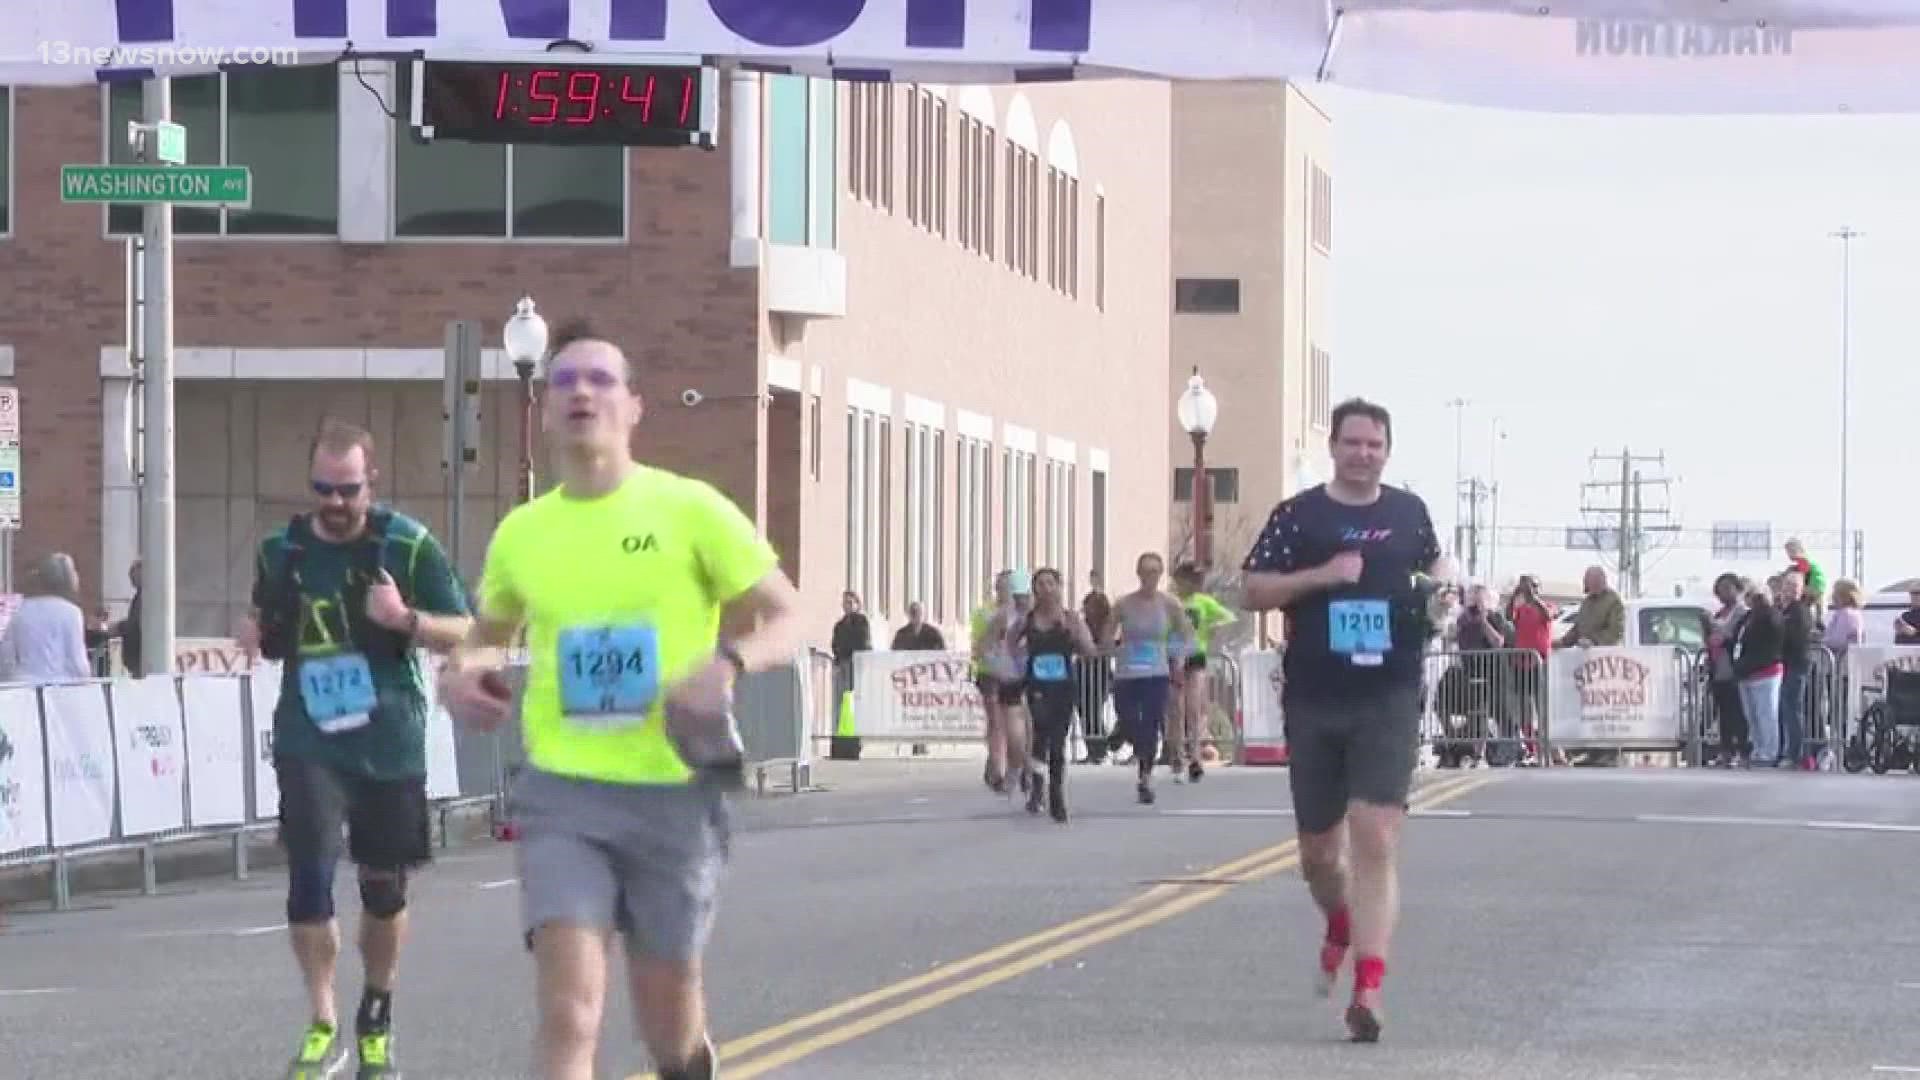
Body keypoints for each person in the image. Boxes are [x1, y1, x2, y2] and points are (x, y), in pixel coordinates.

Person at [438, 323, 802, 1080]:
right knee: (571, 1012)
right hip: (563, 795)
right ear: (543, 410)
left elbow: (791, 615)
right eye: (565, 380)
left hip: (674, 794)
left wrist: (728, 663)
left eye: (602, 380)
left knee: (668, 1025)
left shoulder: (689, 509)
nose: (582, 392)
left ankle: (691, 1060)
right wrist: (462, 674)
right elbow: (484, 633)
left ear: (635, 407)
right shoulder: (524, 534)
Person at [238, 419, 472, 1080]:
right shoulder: (280, 551)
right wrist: (256, 631)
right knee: (308, 875)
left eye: (347, 490)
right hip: (307, 731)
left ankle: (377, 1010)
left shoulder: (407, 544)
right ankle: (322, 1021)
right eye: (323, 490)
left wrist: (406, 621)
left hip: (388, 734)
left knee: (382, 888)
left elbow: (465, 626)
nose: (334, 504)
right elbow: (272, 623)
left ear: (372, 482)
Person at [1240, 397, 1451, 1043]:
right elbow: (1252, 589)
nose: (1363, 454)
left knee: (1377, 837)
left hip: (1388, 691)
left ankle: (1368, 988)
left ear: (1387, 451)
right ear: (1333, 446)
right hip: (1315, 694)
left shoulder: (1408, 512)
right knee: (1319, 857)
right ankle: (1339, 920)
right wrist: (1324, 575)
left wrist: (1440, 592)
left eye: (1374, 445)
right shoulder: (1300, 515)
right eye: (1353, 443)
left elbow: (1433, 564)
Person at [1014, 567, 1099, 821]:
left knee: (1058, 742)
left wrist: (1074, 636)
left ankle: (1056, 793)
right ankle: (1038, 786)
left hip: (1063, 686)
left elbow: (1090, 651)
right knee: (1040, 735)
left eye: (1051, 583)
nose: (1046, 589)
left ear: (1059, 587)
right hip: (1037, 686)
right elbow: (1008, 646)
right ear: (1034, 589)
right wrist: (1014, 662)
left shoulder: (1071, 619)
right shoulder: (1027, 621)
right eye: (1041, 584)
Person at [1108, 553, 1194, 804]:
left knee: (1152, 722)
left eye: (1155, 571)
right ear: (1138, 573)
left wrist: (1177, 659)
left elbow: (1185, 634)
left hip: (1156, 671)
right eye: (1146, 571)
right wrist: (1109, 648)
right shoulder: (1124, 604)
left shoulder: (1170, 604)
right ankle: (1126, 733)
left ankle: (1145, 775)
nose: (1150, 577)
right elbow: (1107, 634)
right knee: (1128, 717)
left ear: (1160, 574)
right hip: (1127, 672)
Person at [1169, 561, 1235, 783]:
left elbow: (1228, 617)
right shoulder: (1173, 603)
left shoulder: (1203, 602)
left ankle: (1195, 756)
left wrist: (1214, 630)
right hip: (1175, 656)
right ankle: (1177, 755)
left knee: (1194, 707)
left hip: (1196, 655)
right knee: (1176, 709)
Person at [983, 571, 1039, 798]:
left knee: (1032, 727)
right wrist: (996, 662)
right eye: (1017, 596)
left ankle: (1029, 769)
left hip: (1038, 677)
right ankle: (1019, 768)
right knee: (1015, 730)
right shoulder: (1003, 616)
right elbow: (985, 645)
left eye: (1025, 595)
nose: (1022, 601)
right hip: (1012, 678)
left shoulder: (1040, 615)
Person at [0, 553, 92, 685]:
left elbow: (6, 656)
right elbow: (77, 661)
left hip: (24, 686)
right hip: (60, 686)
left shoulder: (21, 611)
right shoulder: (71, 612)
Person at [970, 572, 1015, 790]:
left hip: (1015, 673)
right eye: (1003, 586)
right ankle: (997, 765)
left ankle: (1004, 759)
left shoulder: (1022, 613)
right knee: (996, 720)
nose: (1007, 590)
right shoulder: (984, 613)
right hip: (990, 672)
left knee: (1013, 722)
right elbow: (979, 644)